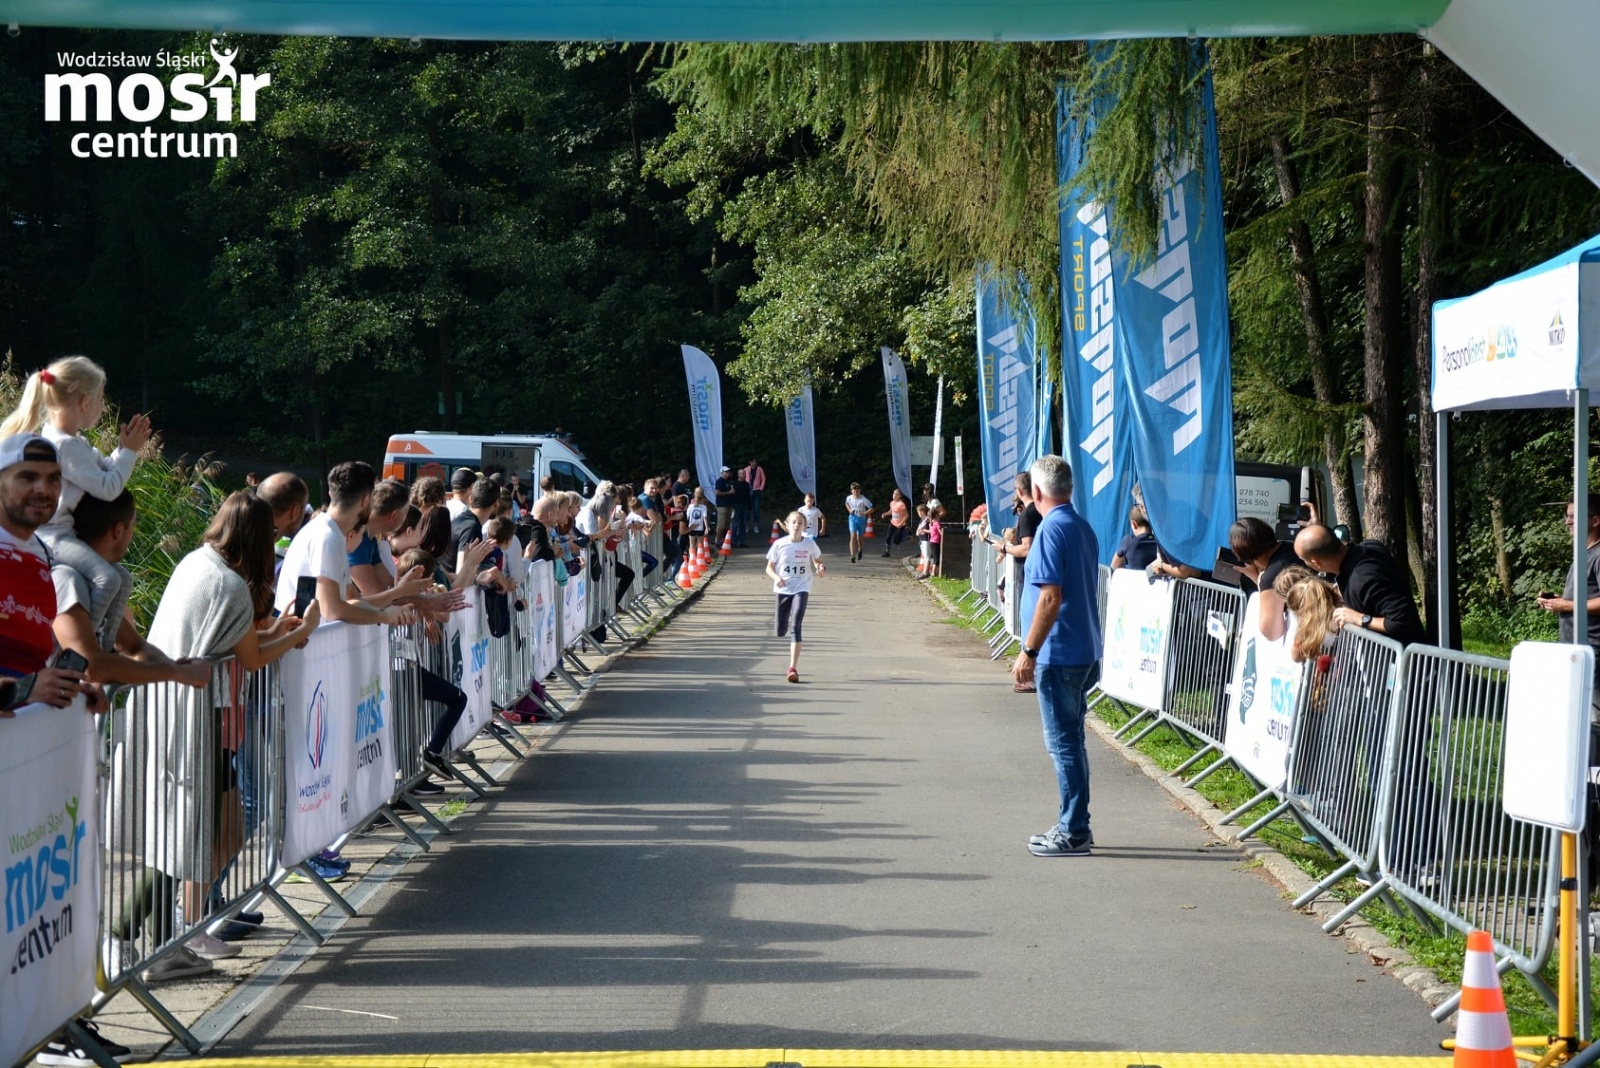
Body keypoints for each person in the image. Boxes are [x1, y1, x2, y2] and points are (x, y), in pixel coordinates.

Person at [2, 356, 151, 652]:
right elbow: (109, 488)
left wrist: (123, 450)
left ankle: (106, 645)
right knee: (107, 578)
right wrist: (130, 454)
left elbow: (105, 471)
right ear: (84, 402)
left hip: (63, 533)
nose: (100, 407)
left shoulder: (73, 442)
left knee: (121, 577)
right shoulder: (65, 446)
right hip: (52, 535)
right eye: (99, 399)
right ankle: (86, 651)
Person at [1011, 455, 1102, 858]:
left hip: (1060, 652)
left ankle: (1074, 830)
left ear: (1035, 493)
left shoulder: (1051, 530)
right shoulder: (1080, 526)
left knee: (1064, 744)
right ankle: (1074, 823)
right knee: (1071, 741)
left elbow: (1050, 596)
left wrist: (1028, 651)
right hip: (1081, 648)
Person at [1293, 524, 1424, 646]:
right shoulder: (1370, 546)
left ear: (1316, 562)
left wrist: (1359, 618)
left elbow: (1403, 622)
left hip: (1407, 664)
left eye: (1303, 559)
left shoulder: (1363, 581)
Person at [765, 510, 824, 683]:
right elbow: (769, 567)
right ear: (788, 525)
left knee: (796, 624)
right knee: (780, 630)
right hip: (783, 589)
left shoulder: (809, 544)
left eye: (800, 523)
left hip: (802, 587)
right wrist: (777, 577)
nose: (797, 525)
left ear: (805, 526)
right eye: (794, 522)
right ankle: (782, 631)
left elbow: (817, 560)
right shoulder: (779, 544)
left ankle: (792, 668)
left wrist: (820, 567)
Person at [1229, 516, 1305, 642]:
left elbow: (1270, 631)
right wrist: (1256, 577)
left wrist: (1262, 581)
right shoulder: (1292, 547)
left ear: (1243, 554)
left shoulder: (1271, 577)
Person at [1110, 506, 1160, 571]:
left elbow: (1114, 565)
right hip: (1157, 580)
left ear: (1134, 524)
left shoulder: (1127, 542)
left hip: (1135, 580)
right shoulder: (1160, 542)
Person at [844, 482, 873, 563]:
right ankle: (852, 555)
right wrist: (849, 510)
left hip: (861, 519)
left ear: (859, 490)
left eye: (857, 491)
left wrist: (864, 513)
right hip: (852, 518)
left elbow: (871, 508)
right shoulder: (849, 498)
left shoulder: (863, 499)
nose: (855, 493)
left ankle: (860, 550)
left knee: (859, 538)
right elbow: (846, 503)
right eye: (854, 492)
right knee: (852, 536)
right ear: (851, 491)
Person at [880, 488, 910, 558]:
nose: (894, 495)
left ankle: (906, 532)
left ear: (900, 496)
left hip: (901, 524)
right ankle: (887, 552)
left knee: (896, 541)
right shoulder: (892, 502)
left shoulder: (901, 504)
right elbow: (891, 511)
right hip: (893, 522)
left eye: (897, 494)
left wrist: (900, 524)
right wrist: (885, 514)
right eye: (894, 493)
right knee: (888, 537)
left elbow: (907, 515)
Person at [714, 465, 736, 542]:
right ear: (722, 472)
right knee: (721, 524)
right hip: (721, 505)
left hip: (729, 504)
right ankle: (718, 540)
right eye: (726, 472)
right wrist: (729, 492)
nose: (727, 473)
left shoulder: (729, 481)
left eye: (728, 471)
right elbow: (717, 492)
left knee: (727, 524)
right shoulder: (719, 481)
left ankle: (725, 540)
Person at [745, 458, 767, 534]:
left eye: (755, 461)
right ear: (750, 462)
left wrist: (761, 488)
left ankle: (756, 526)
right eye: (753, 461)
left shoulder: (759, 469)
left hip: (756, 490)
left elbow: (763, 478)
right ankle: (746, 526)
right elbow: (744, 479)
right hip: (748, 491)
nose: (754, 463)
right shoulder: (746, 469)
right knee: (747, 509)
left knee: (756, 509)